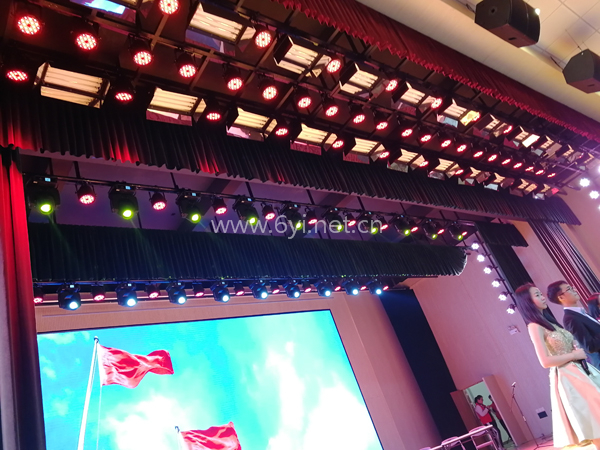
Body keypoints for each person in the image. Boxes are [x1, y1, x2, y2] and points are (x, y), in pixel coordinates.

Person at [514, 283, 600, 448]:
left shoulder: (549, 322)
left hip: (581, 371)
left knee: (596, 419)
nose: (542, 297)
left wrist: (574, 350)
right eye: (537, 295)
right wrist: (574, 355)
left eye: (541, 294)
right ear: (528, 301)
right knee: (595, 420)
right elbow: (545, 361)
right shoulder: (534, 326)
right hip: (570, 378)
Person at [547, 281, 600, 370]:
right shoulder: (570, 319)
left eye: (572, 287)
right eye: (569, 289)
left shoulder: (580, 313)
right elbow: (589, 346)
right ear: (561, 297)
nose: (575, 290)